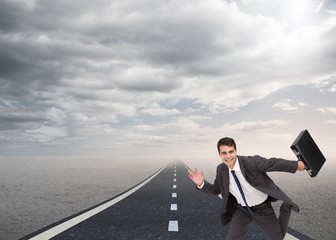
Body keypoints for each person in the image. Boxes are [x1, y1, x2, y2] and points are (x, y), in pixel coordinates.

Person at [188, 137, 306, 240]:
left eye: (231, 151)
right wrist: (201, 183)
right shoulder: (221, 169)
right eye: (224, 153)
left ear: (236, 151)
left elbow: (273, 163)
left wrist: (296, 166)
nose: (228, 156)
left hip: (262, 208)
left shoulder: (252, 162)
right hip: (242, 209)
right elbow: (215, 190)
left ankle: (287, 207)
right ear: (219, 154)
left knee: (278, 237)